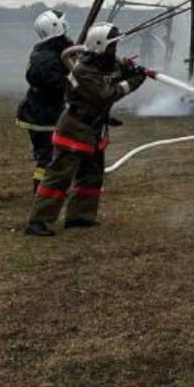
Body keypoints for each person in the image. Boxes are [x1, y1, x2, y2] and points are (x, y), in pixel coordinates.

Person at [25, 23, 152, 236]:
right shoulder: (83, 70)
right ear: (100, 46)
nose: (115, 50)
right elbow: (107, 93)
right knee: (59, 176)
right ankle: (38, 221)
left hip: (93, 129)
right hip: (75, 128)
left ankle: (80, 216)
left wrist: (128, 70)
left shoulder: (103, 64)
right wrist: (134, 81)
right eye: (112, 46)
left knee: (91, 175)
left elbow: (112, 75)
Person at [15, 10, 71, 195]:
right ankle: (40, 193)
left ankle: (48, 190)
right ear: (56, 27)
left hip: (43, 112)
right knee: (47, 158)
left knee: (51, 156)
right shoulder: (45, 58)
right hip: (42, 116)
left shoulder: (50, 50)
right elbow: (56, 86)